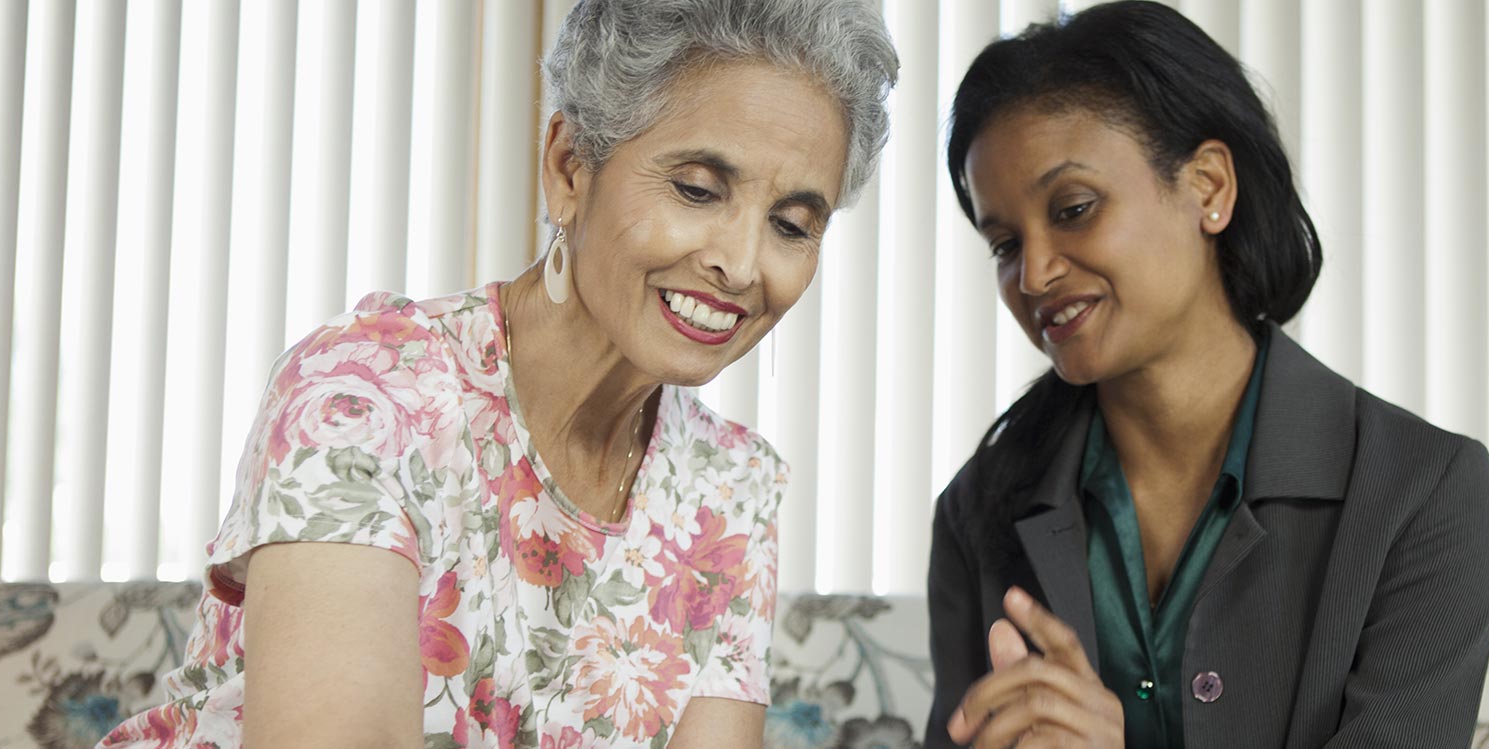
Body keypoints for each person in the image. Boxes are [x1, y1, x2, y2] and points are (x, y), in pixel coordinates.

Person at [100, 1, 896, 746]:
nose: (740, 262)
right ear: (569, 167)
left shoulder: (732, 489)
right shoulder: (368, 395)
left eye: (792, 224)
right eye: (696, 189)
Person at [925, 3, 1489, 747]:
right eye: (1004, 243)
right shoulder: (979, 512)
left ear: (1208, 187)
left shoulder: (1425, 492)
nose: (1033, 274)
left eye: (1073, 208)